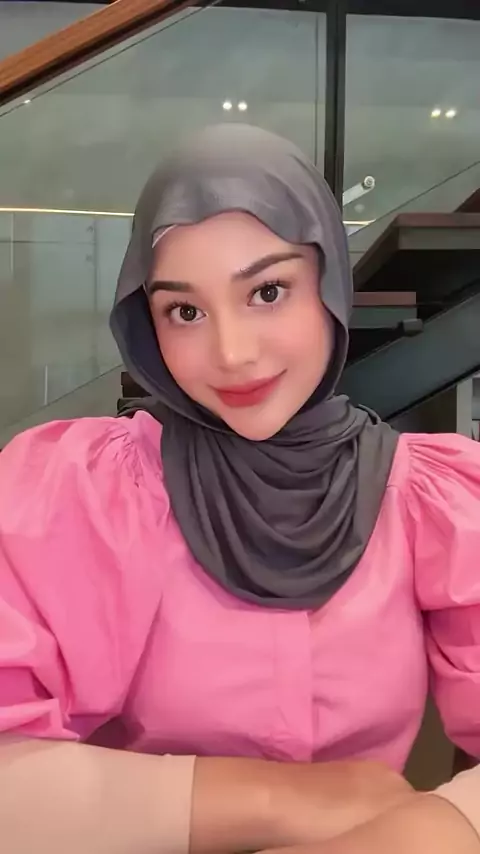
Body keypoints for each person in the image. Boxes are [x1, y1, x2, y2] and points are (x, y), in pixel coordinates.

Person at [0, 124, 479, 854]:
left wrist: (433, 826)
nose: (232, 353)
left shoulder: (434, 500)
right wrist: (282, 800)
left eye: (267, 291)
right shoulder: (82, 493)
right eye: (185, 311)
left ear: (329, 287)